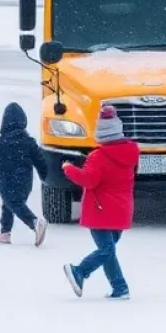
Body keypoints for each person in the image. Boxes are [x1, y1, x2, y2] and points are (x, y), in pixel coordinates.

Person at [62, 107, 138, 300]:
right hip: (121, 210)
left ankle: (79, 271)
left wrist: (69, 168)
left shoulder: (98, 156)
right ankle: (120, 288)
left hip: (100, 210)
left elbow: (89, 180)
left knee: (106, 250)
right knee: (108, 251)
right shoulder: (130, 153)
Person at [0, 102, 48, 246]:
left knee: (13, 203)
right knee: (9, 204)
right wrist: (44, 175)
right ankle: (5, 232)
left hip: (7, 180)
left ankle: (35, 223)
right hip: (25, 182)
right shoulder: (29, 142)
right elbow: (40, 160)